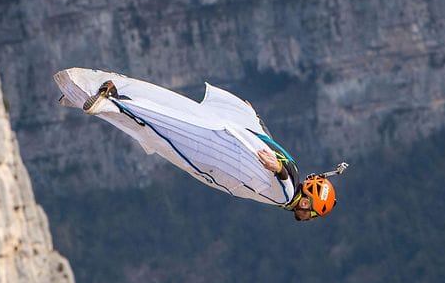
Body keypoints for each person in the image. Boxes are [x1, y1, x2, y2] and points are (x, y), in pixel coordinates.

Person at [56, 68, 340, 221]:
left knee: (165, 123)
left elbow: (267, 139)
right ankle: (112, 100)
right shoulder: (286, 194)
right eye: (312, 213)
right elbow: (283, 177)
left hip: (221, 149)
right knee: (163, 130)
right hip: (214, 154)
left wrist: (252, 118)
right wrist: (276, 167)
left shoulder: (292, 170)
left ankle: (95, 97)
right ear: (307, 202)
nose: (309, 217)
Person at [257, 148, 337, 222]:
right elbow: (285, 183)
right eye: (313, 215)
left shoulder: (294, 170)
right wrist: (279, 168)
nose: (309, 219)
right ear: (305, 203)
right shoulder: (287, 197)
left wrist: (280, 169)